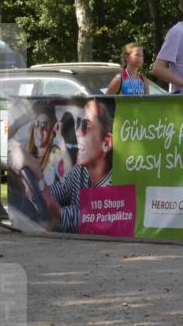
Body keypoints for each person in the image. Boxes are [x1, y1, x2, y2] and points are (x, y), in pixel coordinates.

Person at [11, 98, 114, 233]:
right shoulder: (81, 171)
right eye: (77, 125)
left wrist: (37, 175)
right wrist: (30, 186)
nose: (77, 133)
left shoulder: (113, 187)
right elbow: (57, 191)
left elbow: (65, 216)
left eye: (86, 127)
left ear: (106, 143)